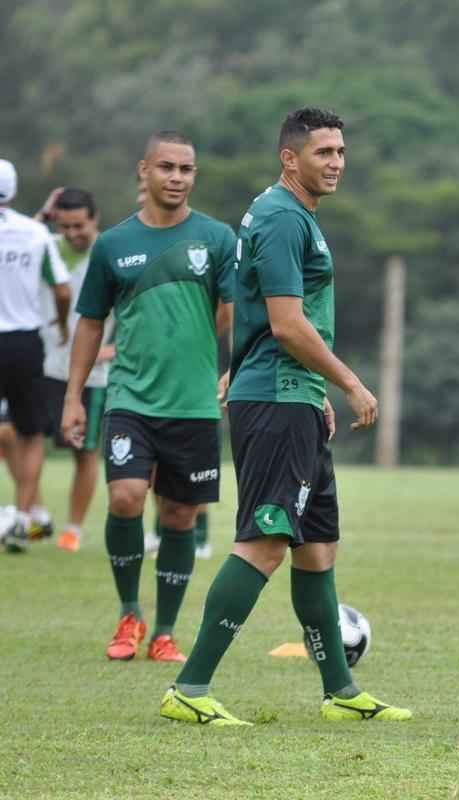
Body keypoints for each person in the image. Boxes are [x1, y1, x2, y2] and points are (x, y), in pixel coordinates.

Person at [161, 107, 411, 726]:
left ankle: (340, 691)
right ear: (289, 158)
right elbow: (286, 323)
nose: (335, 163)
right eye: (323, 152)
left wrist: (312, 386)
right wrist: (348, 381)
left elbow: (282, 328)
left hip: (291, 392)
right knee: (266, 541)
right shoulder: (278, 216)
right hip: (274, 398)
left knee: (317, 547)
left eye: (341, 152)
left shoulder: (296, 216)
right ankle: (189, 687)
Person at [61, 132, 234, 662]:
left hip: (195, 405)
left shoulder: (218, 239)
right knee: (125, 497)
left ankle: (164, 631)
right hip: (130, 398)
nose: (177, 177)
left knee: (180, 516)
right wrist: (73, 397)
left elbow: (236, 313)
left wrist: (229, 366)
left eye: (186, 169)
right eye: (167, 167)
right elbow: (90, 325)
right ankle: (129, 614)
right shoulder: (113, 244)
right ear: (144, 172)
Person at [33, 188, 115, 552]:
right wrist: (42, 216)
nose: (71, 234)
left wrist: (114, 349)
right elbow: (11, 241)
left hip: (92, 375)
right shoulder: (46, 245)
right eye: (64, 226)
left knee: (86, 452)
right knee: (21, 439)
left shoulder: (112, 253)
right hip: (46, 366)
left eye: (78, 225)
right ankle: (34, 517)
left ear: (94, 219)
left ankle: (72, 531)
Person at [0, 158, 71, 553]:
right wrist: (60, 327)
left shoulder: (33, 228)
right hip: (25, 341)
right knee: (30, 435)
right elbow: (62, 290)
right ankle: (24, 519)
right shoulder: (35, 232)